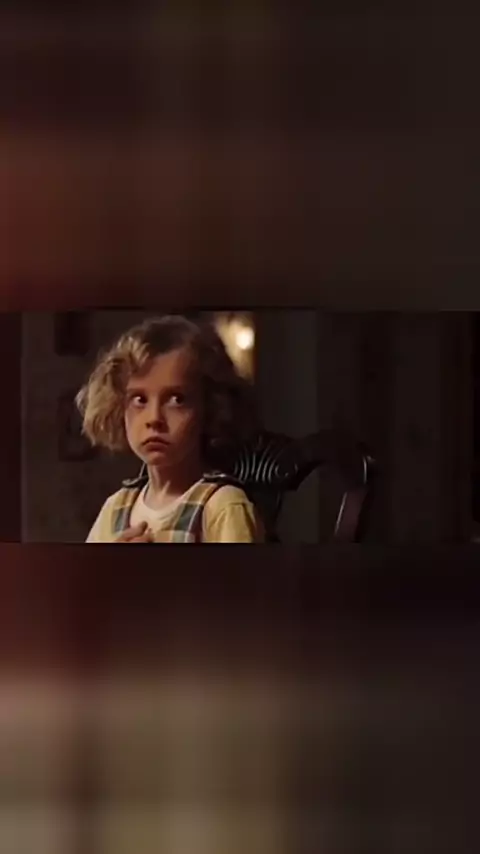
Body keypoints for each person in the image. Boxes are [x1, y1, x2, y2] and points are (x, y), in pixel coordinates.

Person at [77, 315, 264, 543]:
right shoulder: (115, 507)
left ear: (211, 407)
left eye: (177, 399)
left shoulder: (223, 506)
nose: (154, 418)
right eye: (139, 399)